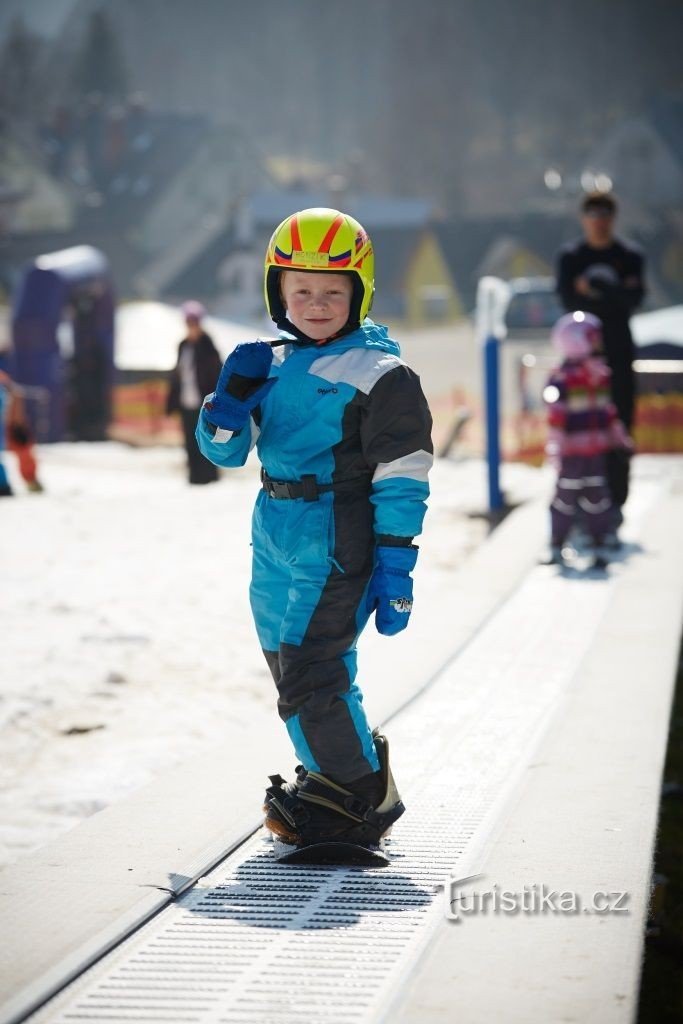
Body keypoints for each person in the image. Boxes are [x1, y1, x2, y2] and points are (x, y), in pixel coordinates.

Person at [196, 208, 433, 855]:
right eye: (301, 290)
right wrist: (226, 402)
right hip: (273, 532)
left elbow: (402, 475)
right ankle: (336, 777)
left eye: (333, 291)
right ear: (278, 293)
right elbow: (224, 453)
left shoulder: (382, 374)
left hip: (337, 533)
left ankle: (354, 795)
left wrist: (395, 562)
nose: (316, 304)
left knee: (310, 668)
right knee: (288, 665)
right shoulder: (265, 363)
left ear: (360, 292)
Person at [556, 191, 646, 525]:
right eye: (592, 213)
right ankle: (578, 504)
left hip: (618, 355)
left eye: (605, 213)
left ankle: (617, 501)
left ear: (613, 217)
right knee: (577, 428)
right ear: (584, 218)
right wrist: (611, 295)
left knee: (619, 425)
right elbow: (568, 303)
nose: (599, 220)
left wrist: (594, 292)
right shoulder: (571, 257)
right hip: (580, 360)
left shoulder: (629, 255)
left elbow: (631, 301)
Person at [542, 312, 633, 570]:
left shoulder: (599, 375)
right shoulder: (562, 378)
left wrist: (620, 437)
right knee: (564, 499)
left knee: (598, 500)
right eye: (593, 338)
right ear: (576, 341)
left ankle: (599, 543)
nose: (598, 343)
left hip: (595, 453)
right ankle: (556, 544)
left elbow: (608, 412)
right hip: (572, 454)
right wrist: (556, 448)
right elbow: (556, 416)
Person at [166, 301, 222, 485]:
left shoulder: (207, 345)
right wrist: (170, 403)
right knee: (189, 441)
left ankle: (209, 477)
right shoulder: (183, 345)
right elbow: (178, 376)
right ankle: (194, 476)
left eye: (194, 323)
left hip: (204, 403)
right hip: (186, 401)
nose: (191, 327)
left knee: (206, 439)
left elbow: (217, 374)